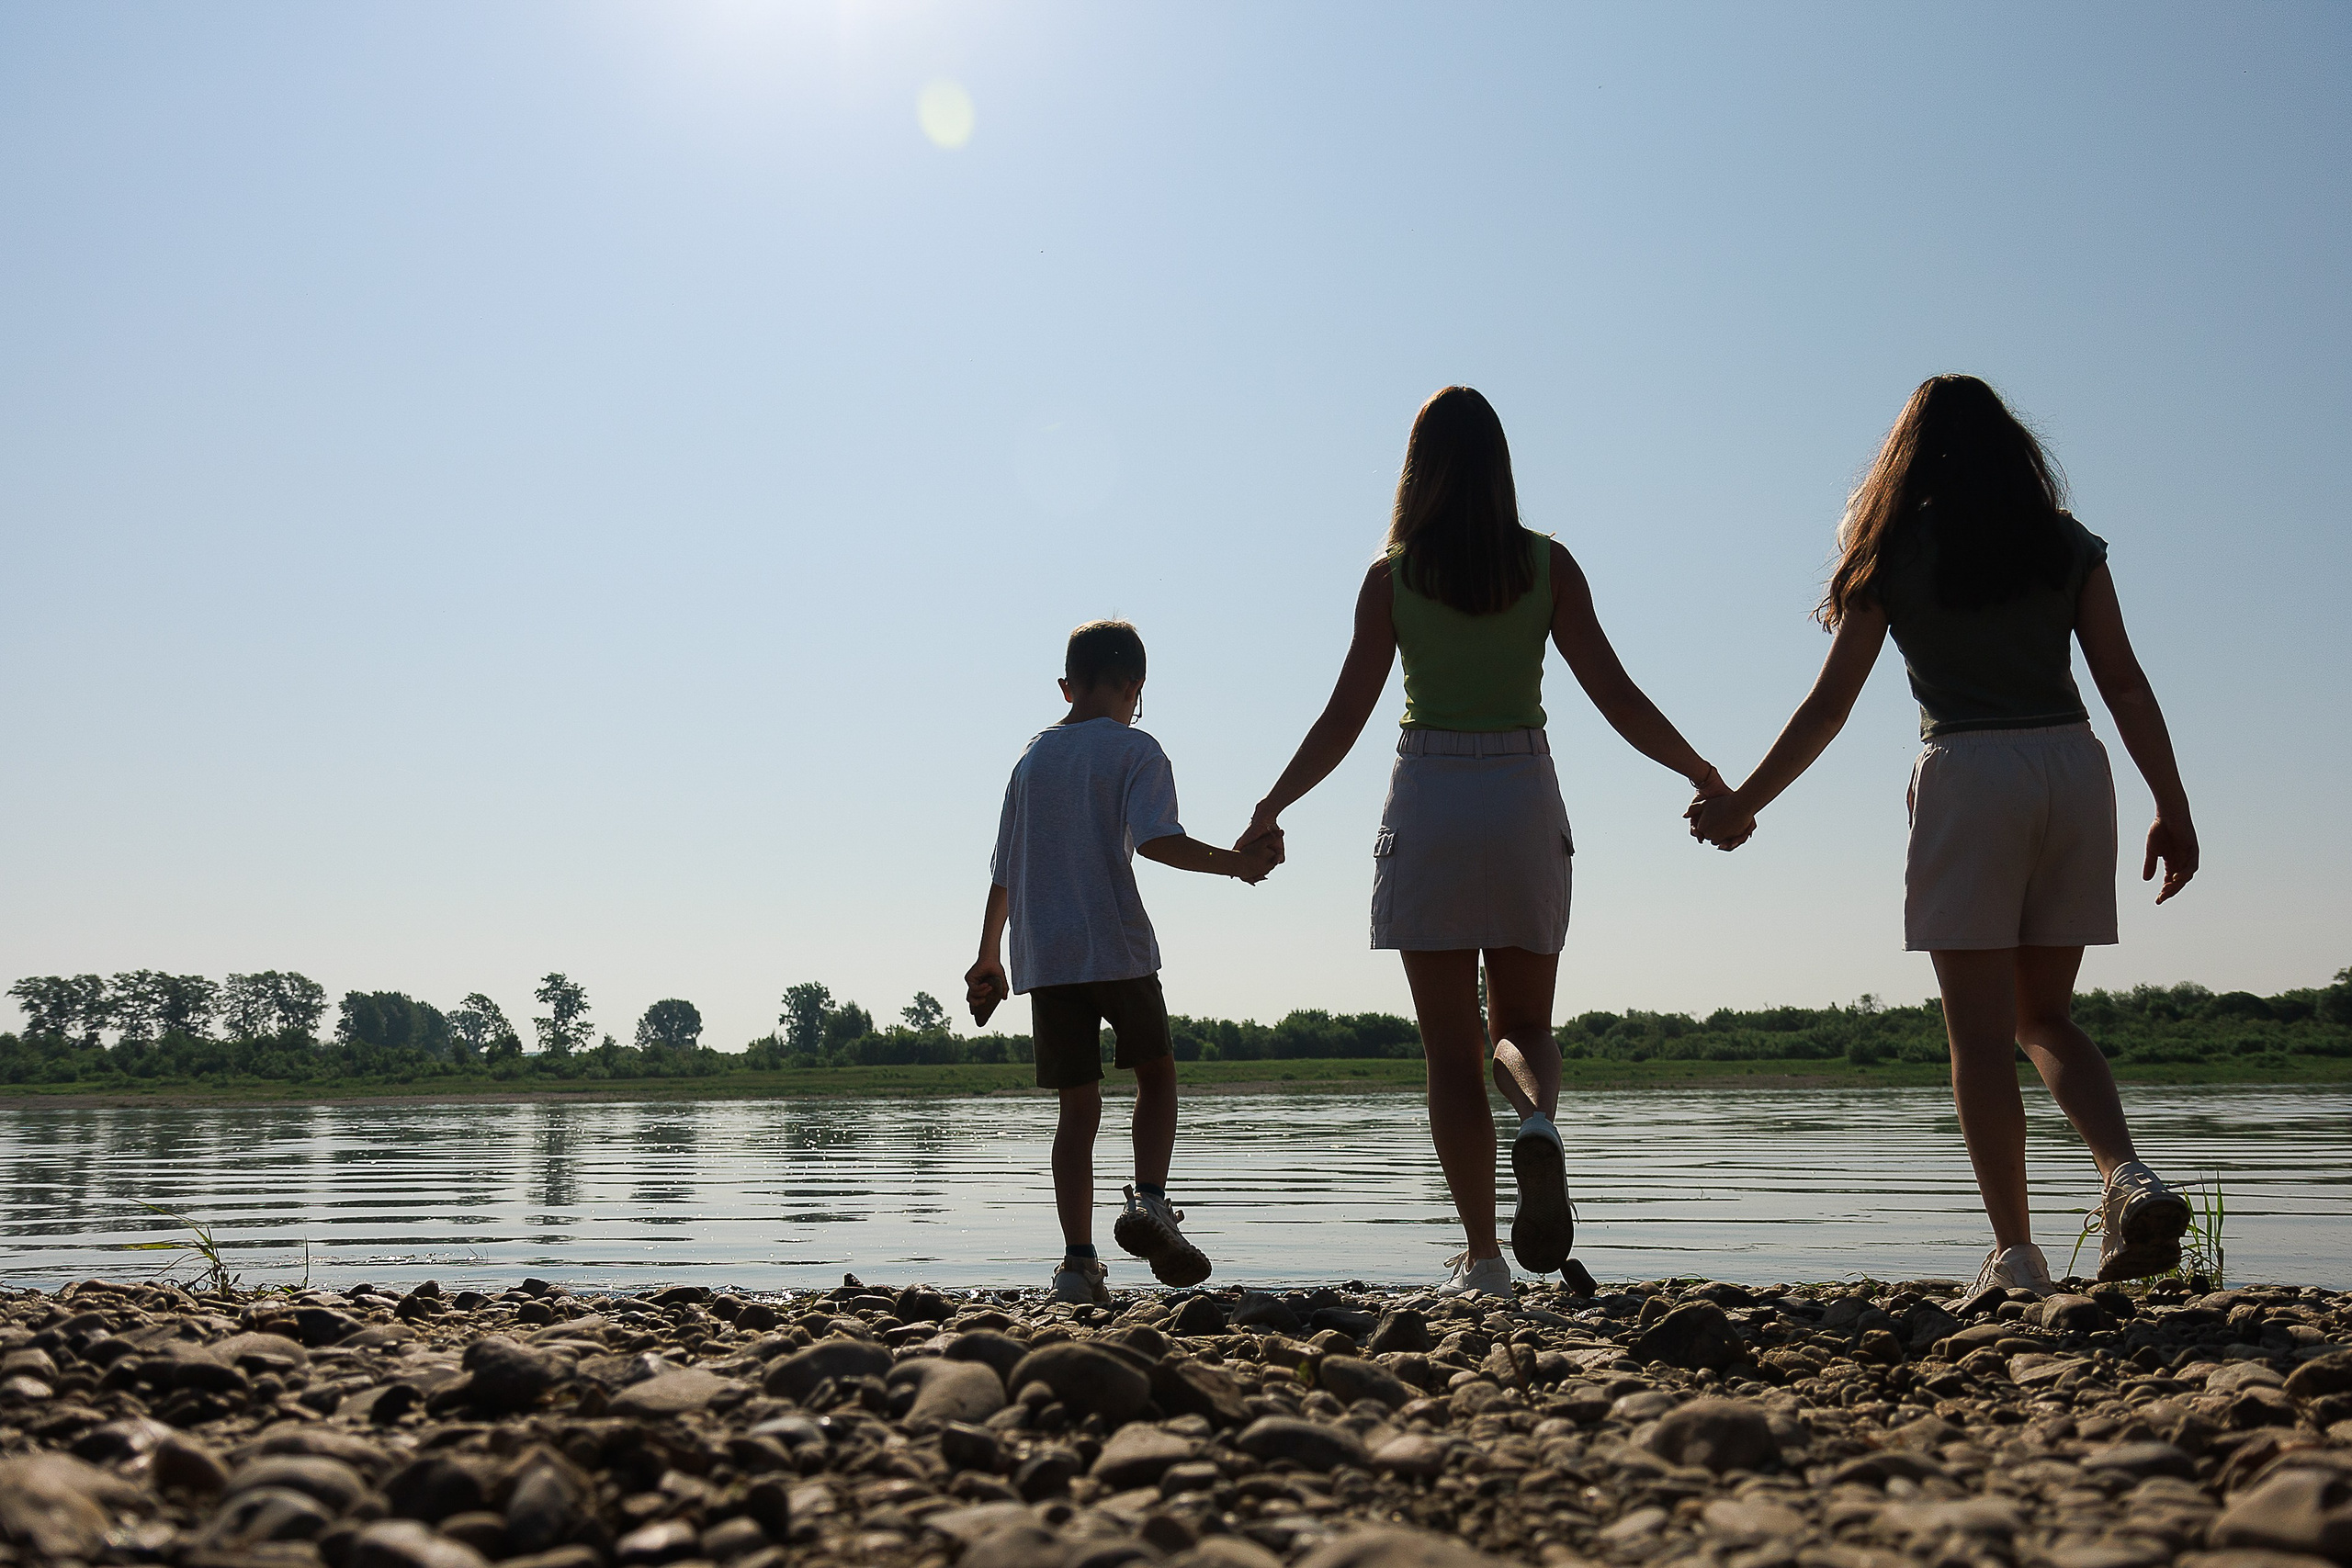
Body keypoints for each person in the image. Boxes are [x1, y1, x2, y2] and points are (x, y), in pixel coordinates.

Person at [1690, 374, 2199, 1297]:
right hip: (2072, 769)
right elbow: (2123, 680)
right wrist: (2172, 802)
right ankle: (2124, 1174)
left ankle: (2017, 1256)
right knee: (2043, 1015)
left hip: (1969, 775)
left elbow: (1828, 707)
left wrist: (1744, 803)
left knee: (1977, 1033)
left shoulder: (1890, 555)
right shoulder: (2065, 545)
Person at [1238, 387, 1726, 1299]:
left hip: (1428, 795)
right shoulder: (1547, 566)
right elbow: (1615, 694)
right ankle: (1536, 1125)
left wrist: (1272, 803)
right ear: (1502, 467)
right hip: (1519, 791)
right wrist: (1699, 772)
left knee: (1448, 1047)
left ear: (1417, 470)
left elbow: (1345, 714)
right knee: (1524, 1027)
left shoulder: (1391, 578)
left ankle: (1483, 1258)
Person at [966, 619, 1279, 1304]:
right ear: (1136, 688)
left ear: (1066, 685)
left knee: (1077, 1110)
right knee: (1156, 1075)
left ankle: (1078, 1266)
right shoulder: (1136, 749)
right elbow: (1159, 839)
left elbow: (1004, 873)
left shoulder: (1030, 760)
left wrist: (988, 953)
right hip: (1117, 945)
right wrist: (1238, 866)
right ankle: (1152, 1201)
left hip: (1046, 958)